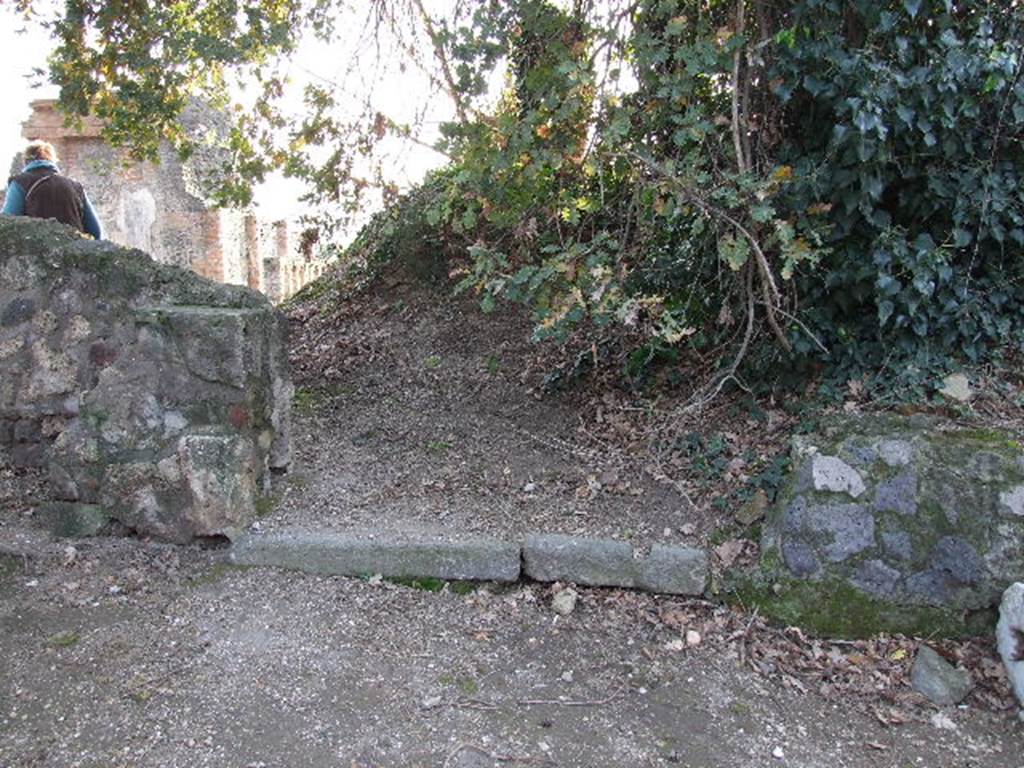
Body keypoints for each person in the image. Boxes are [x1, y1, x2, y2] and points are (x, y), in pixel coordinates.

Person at [3, 139, 102, 239]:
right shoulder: (76, 187)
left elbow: (7, 224)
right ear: (53, 161)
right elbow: (96, 231)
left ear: (26, 161)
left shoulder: (20, 183)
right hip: (74, 250)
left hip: (36, 250)